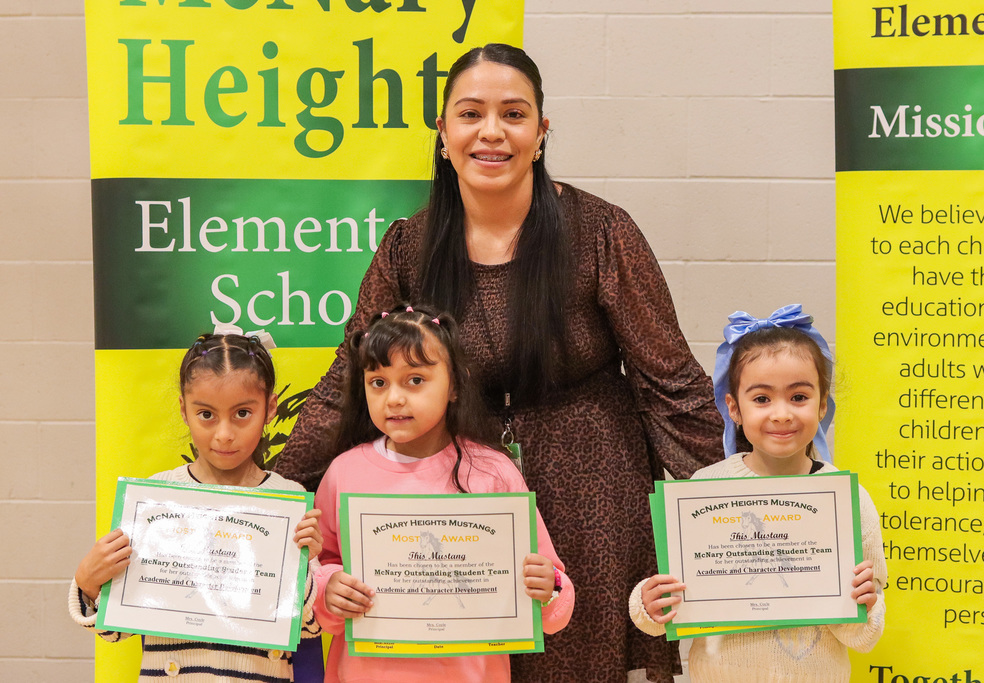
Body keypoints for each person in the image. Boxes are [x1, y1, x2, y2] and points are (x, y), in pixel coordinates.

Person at [275, 43, 723, 682]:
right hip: (452, 497)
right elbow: (344, 384)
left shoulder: (600, 232)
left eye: (513, 114)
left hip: (591, 485)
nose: (492, 132)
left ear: (542, 132)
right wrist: (268, 497)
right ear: (443, 132)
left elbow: (669, 381)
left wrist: (743, 495)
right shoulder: (409, 245)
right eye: (470, 113)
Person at [313, 304, 574, 682]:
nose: (394, 398)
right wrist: (328, 591)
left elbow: (555, 598)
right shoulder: (344, 473)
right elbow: (318, 569)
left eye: (415, 380)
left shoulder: (493, 474)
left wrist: (547, 588)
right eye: (378, 382)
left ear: (454, 385)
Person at [629, 306, 887, 681]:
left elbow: (865, 637)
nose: (781, 414)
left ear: (823, 403)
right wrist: (648, 604)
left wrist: (864, 603)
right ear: (734, 408)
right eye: (762, 399)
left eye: (799, 397)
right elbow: (662, 608)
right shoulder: (703, 490)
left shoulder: (849, 501)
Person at [68, 331, 323, 682]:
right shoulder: (157, 497)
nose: (223, 433)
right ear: (184, 411)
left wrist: (304, 568)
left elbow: (308, 629)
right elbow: (116, 631)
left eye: (242, 413)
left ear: (270, 409)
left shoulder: (287, 500)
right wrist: (89, 582)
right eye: (206, 414)